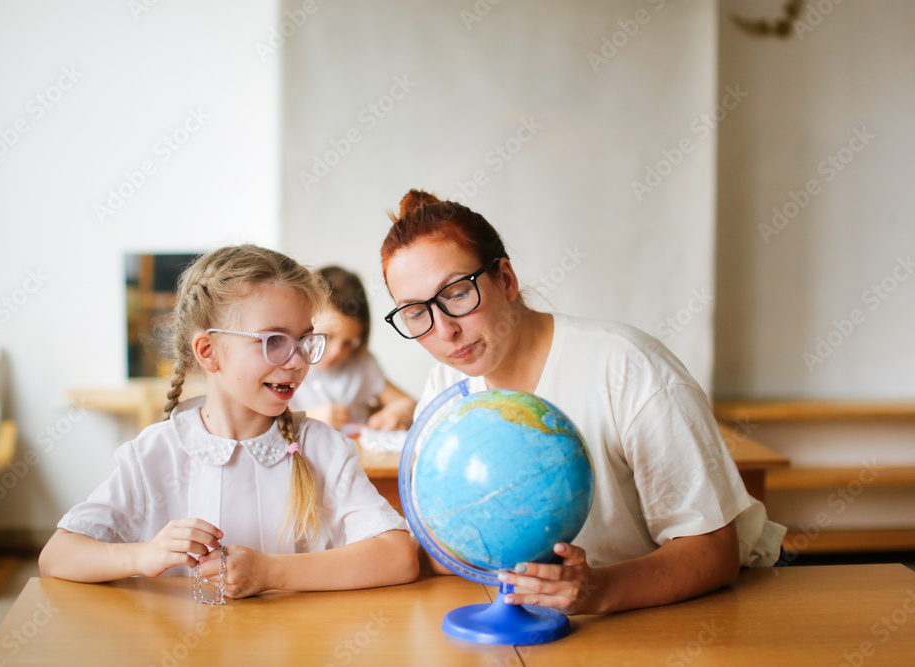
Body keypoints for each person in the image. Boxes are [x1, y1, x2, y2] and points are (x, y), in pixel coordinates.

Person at [380, 190, 786, 615]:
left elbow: (713, 552)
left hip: (677, 615)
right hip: (545, 621)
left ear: (506, 279)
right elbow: (449, 543)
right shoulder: (446, 385)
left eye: (458, 293)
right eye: (414, 313)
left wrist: (599, 590)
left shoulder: (628, 367)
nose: (444, 331)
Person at [39, 245, 419, 598]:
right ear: (209, 352)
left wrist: (271, 573)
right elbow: (58, 555)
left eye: (305, 341)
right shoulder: (153, 453)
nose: (297, 361)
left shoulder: (325, 450)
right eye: (274, 341)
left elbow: (398, 557)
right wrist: (143, 556)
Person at [291, 266, 416, 432]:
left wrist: (398, 411)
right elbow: (260, 420)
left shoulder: (359, 362)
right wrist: (308, 417)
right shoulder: (287, 363)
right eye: (329, 336)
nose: (337, 351)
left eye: (349, 342)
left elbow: (409, 403)